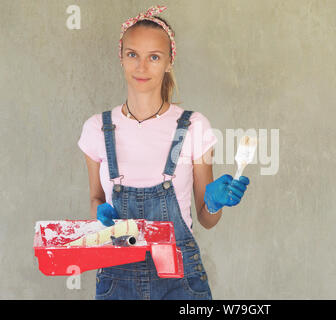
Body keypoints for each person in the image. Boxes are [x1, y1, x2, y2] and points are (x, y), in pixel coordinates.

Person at [77, 5, 250, 300]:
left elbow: (206, 219)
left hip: (180, 281)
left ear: (169, 62)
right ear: (121, 57)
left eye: (153, 57)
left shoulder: (194, 126)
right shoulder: (97, 129)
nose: (141, 67)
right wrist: (100, 215)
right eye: (133, 54)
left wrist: (214, 201)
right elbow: (96, 199)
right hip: (116, 279)